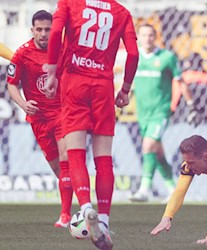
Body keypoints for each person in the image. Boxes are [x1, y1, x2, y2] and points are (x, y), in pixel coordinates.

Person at [43, 1, 139, 249]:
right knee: (103, 157)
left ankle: (86, 207)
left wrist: (52, 71)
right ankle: (104, 220)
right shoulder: (121, 11)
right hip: (103, 86)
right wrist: (125, 88)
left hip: (74, 81)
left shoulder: (69, 3)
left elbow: (55, 33)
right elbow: (133, 53)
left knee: (75, 153)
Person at [6, 10, 73, 228]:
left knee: (66, 159)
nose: (44, 34)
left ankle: (66, 215)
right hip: (39, 119)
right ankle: (77, 200)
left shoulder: (64, 48)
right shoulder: (22, 54)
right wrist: (23, 104)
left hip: (63, 112)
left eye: (48, 29)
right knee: (58, 169)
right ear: (32, 30)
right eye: (40, 29)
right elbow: (11, 84)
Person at [129, 24, 200, 202]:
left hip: (160, 112)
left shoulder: (167, 57)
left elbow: (180, 81)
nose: (147, 38)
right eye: (144, 35)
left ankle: (144, 189)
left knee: (148, 146)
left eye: (151, 35)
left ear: (156, 36)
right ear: (138, 37)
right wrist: (123, 98)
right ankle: (173, 190)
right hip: (143, 113)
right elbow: (130, 82)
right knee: (157, 152)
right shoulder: (134, 57)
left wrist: (191, 105)